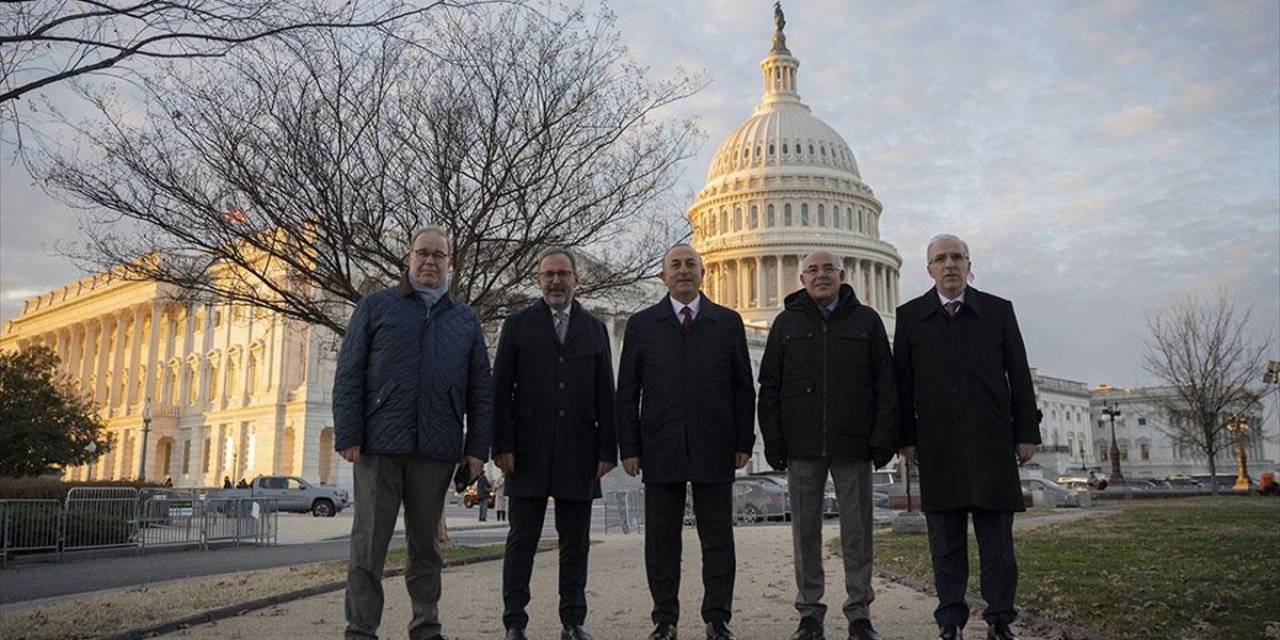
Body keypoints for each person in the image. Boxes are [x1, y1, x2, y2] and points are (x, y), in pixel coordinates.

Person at [333, 225, 493, 640]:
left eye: (439, 255)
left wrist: (476, 449)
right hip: (378, 446)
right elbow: (349, 373)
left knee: (426, 548)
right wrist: (348, 432)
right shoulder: (376, 306)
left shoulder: (465, 319)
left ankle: (426, 625)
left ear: (449, 264)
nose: (429, 261)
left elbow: (481, 389)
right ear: (409, 257)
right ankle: (361, 629)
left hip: (436, 448)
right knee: (369, 544)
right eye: (422, 253)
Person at [893, 234, 1040, 640]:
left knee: (998, 547)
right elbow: (902, 386)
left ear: (969, 264)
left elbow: (1019, 374)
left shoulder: (997, 311)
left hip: (991, 442)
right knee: (946, 546)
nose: (949, 264)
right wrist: (906, 438)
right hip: (937, 445)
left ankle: (999, 619)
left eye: (957, 257)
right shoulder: (910, 317)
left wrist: (1026, 432)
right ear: (929, 270)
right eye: (941, 259)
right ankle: (951, 621)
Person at [617, 243, 756, 640]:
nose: (682, 271)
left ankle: (717, 617)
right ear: (662, 276)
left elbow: (743, 388)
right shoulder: (642, 325)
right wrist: (630, 446)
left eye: (689, 265)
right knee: (662, 540)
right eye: (675, 265)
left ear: (702, 273)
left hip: (715, 443)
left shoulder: (727, 323)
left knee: (718, 539)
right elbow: (627, 391)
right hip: (661, 445)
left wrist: (743, 439)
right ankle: (665, 618)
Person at [758, 250, 898, 640]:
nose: (821, 276)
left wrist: (882, 439)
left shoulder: (867, 321)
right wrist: (774, 439)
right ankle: (809, 613)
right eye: (813, 270)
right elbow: (768, 386)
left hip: (853, 443)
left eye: (829, 269)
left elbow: (887, 386)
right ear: (801, 278)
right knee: (804, 533)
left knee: (858, 532)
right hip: (802, 443)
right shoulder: (784, 324)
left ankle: (859, 613)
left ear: (843, 274)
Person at [492, 247, 618, 640]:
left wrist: (606, 450)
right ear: (538, 280)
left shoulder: (595, 328)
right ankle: (515, 620)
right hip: (527, 449)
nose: (556, 281)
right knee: (521, 542)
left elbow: (605, 393)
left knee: (575, 543)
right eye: (548, 275)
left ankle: (572, 619)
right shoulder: (517, 324)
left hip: (580, 449)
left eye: (563, 274)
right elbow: (500, 391)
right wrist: (502, 445)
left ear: (576, 281)